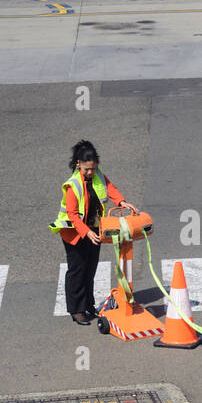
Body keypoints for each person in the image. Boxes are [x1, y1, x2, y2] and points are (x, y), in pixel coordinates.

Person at [49, 140, 137, 326]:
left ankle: (88, 304)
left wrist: (121, 202)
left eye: (93, 168)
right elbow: (72, 215)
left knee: (90, 269)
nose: (90, 172)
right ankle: (77, 310)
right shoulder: (73, 185)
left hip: (95, 230)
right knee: (77, 271)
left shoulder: (98, 175)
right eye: (87, 169)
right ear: (78, 164)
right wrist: (87, 232)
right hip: (75, 233)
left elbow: (109, 187)